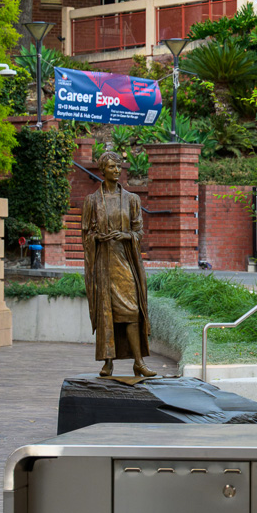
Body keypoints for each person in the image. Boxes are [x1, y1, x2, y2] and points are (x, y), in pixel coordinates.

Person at [81, 151, 155, 378]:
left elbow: (138, 232)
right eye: (112, 166)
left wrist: (125, 236)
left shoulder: (132, 199)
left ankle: (138, 362)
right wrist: (97, 237)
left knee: (132, 311)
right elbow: (86, 234)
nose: (116, 170)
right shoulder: (92, 201)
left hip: (125, 262)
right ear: (102, 170)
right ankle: (108, 363)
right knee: (107, 313)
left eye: (118, 166)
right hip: (103, 264)